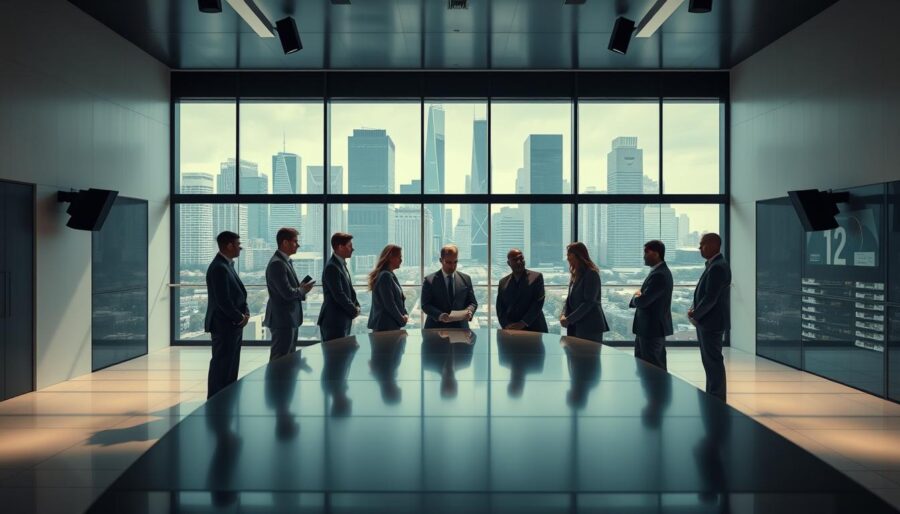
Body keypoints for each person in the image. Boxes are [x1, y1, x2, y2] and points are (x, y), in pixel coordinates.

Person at [204, 231, 249, 399]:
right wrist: (240, 318)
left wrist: (245, 314)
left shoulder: (226, 265)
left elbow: (239, 294)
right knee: (222, 364)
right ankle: (216, 399)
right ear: (229, 245)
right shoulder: (219, 268)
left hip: (232, 325)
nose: (240, 248)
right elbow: (223, 301)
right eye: (238, 244)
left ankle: (225, 398)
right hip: (225, 325)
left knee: (230, 364)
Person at [689, 233, 731, 402]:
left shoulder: (717, 267)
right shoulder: (714, 265)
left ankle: (717, 398)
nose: (699, 248)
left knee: (713, 361)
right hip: (709, 321)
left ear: (713, 245)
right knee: (710, 361)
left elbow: (710, 298)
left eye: (702, 244)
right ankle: (713, 396)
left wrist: (696, 315)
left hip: (711, 322)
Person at [263, 227, 315, 362]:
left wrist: (300, 289)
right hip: (283, 320)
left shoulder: (285, 261)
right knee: (280, 359)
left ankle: (283, 382)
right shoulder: (277, 264)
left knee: (288, 358)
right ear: (285, 243)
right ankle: (276, 383)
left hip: (288, 318)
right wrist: (303, 290)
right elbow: (287, 293)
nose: (298, 245)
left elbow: (289, 290)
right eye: (295, 241)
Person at [629, 240, 674, 371]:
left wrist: (636, 296)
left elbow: (643, 301)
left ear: (656, 254)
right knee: (647, 367)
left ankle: (657, 392)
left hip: (651, 329)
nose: (644, 256)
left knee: (653, 368)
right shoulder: (658, 272)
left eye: (646, 252)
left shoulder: (659, 275)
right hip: (648, 329)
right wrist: (639, 296)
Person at [560, 242, 609, 343]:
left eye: (569, 254)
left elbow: (589, 302)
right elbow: (570, 298)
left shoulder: (591, 274)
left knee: (588, 357)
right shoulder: (575, 274)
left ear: (577, 255)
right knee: (575, 356)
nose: (567, 258)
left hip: (589, 327)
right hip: (575, 325)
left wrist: (569, 319)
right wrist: (563, 314)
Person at [421, 244, 478, 329]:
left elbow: (473, 302)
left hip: (460, 330)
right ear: (441, 260)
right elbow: (425, 305)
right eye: (448, 262)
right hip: (436, 330)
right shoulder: (429, 281)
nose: (452, 266)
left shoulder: (466, 279)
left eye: (455, 262)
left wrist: (469, 311)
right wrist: (439, 315)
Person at [317, 232, 360, 341]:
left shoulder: (341, 264)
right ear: (340, 247)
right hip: (334, 321)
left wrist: (356, 305)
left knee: (341, 355)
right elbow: (339, 294)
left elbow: (349, 290)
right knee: (335, 356)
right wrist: (354, 310)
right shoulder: (332, 267)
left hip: (341, 320)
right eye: (349, 246)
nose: (353, 249)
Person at [496, 248, 548, 333]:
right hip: (511, 331)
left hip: (534, 329)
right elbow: (500, 308)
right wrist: (505, 325)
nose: (519, 262)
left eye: (521, 258)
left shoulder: (536, 277)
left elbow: (538, 303)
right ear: (509, 263)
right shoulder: (503, 282)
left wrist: (523, 323)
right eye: (515, 259)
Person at [367, 244, 409, 332]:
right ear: (390, 258)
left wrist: (405, 314)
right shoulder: (385, 276)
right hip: (385, 327)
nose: (401, 260)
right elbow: (389, 304)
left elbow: (398, 300)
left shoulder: (389, 274)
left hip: (389, 326)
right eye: (399, 257)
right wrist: (402, 320)